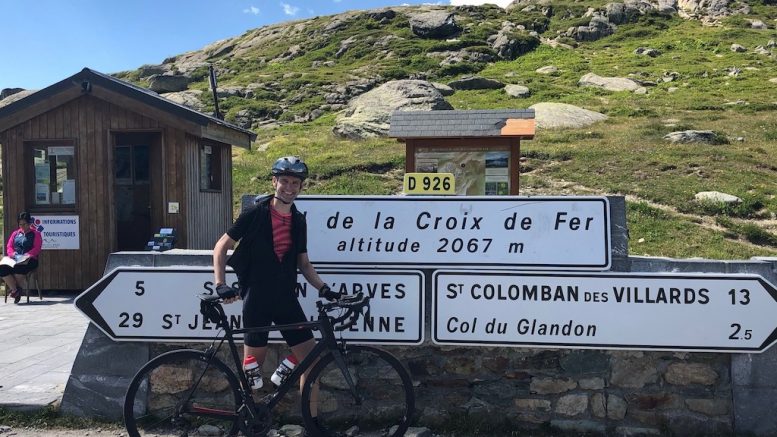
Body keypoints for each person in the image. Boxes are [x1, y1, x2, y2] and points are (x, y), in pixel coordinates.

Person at [212, 156, 340, 430]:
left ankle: (312, 424)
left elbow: (303, 264)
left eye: (295, 183)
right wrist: (221, 284)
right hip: (256, 298)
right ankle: (249, 424)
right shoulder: (255, 213)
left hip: (285, 299)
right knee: (252, 375)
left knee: (311, 360)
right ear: (274, 182)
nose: (289, 188)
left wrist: (325, 289)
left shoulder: (298, 220)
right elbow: (221, 246)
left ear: (301, 187)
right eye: (284, 182)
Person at [1, 212, 42, 304]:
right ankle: (16, 290)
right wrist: (13, 254)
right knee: (2, 268)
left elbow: (37, 248)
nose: (22, 226)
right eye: (20, 224)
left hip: (30, 259)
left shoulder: (36, 234)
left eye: (24, 224)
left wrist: (27, 256)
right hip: (15, 258)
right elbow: (9, 246)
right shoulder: (15, 233)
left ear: (29, 223)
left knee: (18, 268)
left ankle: (15, 291)